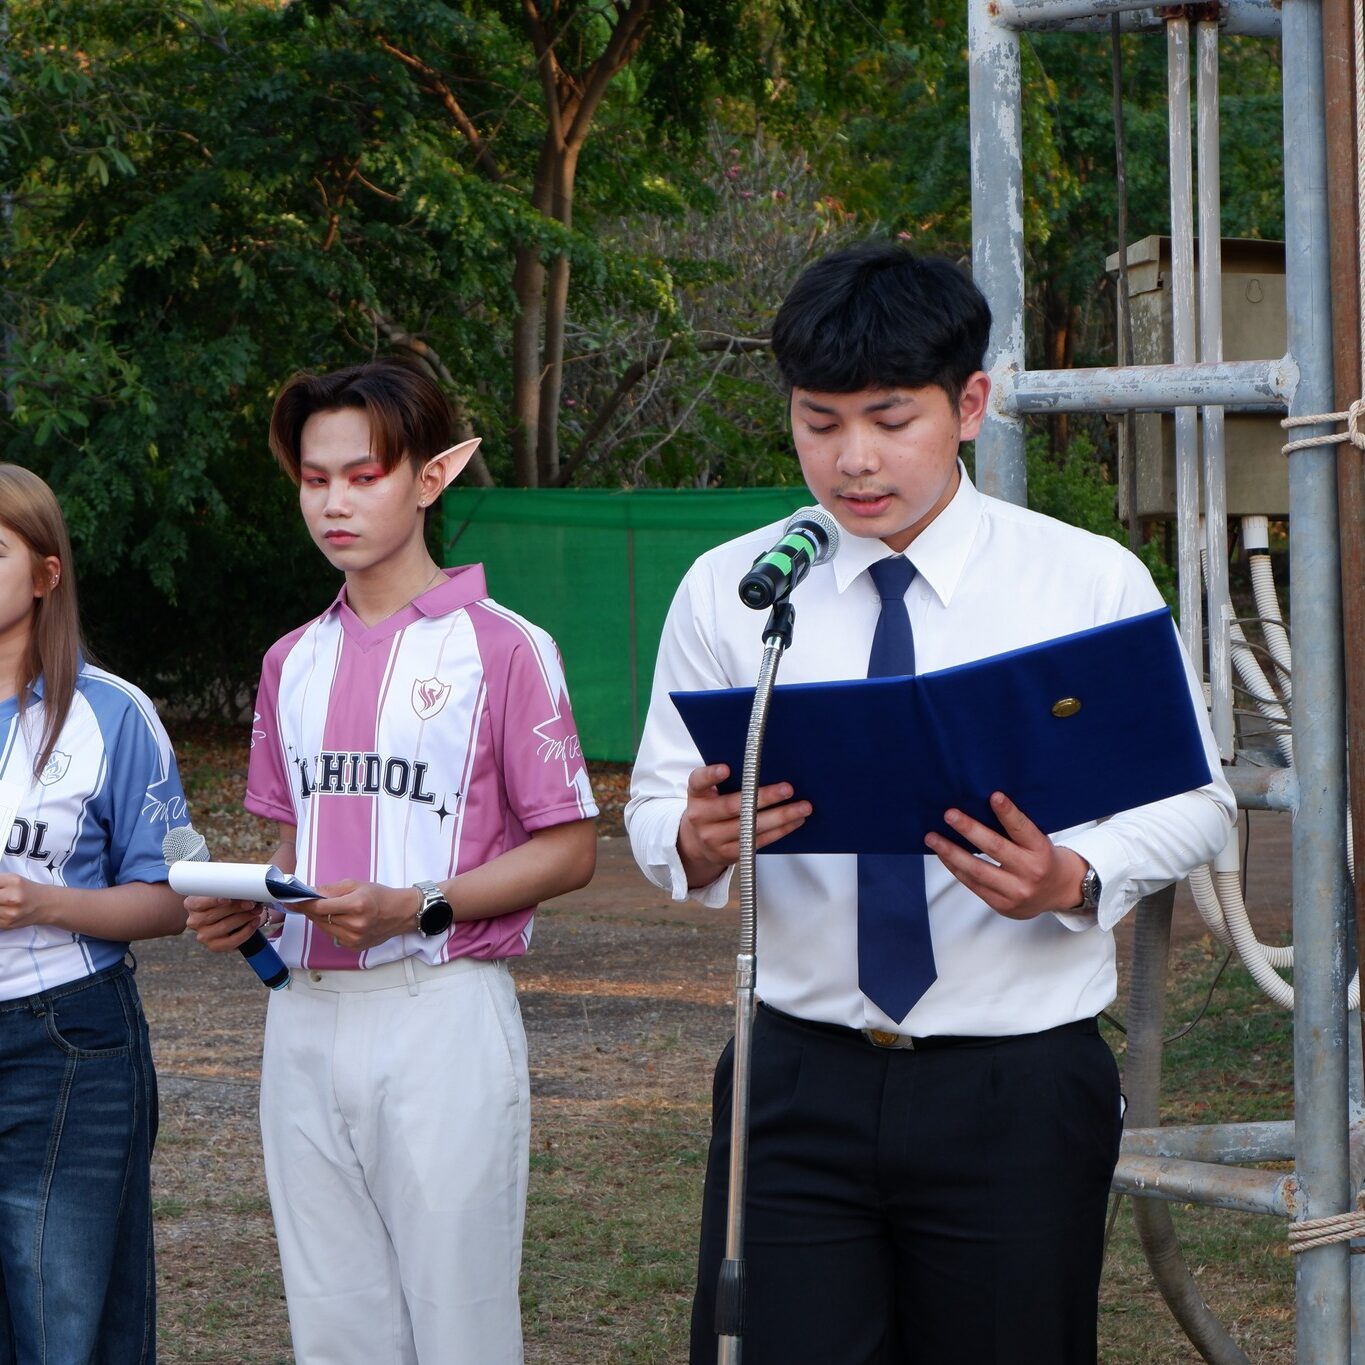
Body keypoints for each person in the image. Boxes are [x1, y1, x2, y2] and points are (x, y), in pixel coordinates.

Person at [625, 243, 1236, 1365]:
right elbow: (657, 797)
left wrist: (1074, 878)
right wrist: (692, 837)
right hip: (795, 1077)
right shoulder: (736, 589)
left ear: (970, 405)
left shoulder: (1082, 581)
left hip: (1015, 1080)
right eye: (819, 422)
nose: (852, 459)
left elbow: (1198, 801)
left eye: (890, 419)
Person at [185, 358, 597, 1364]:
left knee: (460, 1325)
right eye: (315, 479)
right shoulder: (291, 659)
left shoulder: (505, 647)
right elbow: (294, 841)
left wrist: (417, 904)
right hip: (304, 1020)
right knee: (335, 1325)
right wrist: (255, 907)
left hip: (440, 1010)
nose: (335, 502)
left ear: (429, 477)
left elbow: (571, 848)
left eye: (363, 476)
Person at [0, 464, 190, 1364]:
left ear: (47, 573)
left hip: (65, 1039)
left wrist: (44, 901)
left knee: (60, 1319)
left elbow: (172, 897)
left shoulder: (112, 713)